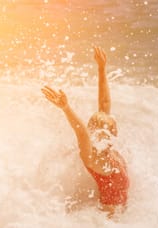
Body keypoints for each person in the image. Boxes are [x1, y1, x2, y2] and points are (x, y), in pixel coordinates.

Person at [42, 46, 129, 216]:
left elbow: (104, 104)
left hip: (121, 215)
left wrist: (102, 69)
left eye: (110, 130)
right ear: (93, 134)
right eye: (101, 132)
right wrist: (66, 108)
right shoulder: (94, 158)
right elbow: (80, 131)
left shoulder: (109, 151)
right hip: (110, 221)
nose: (107, 134)